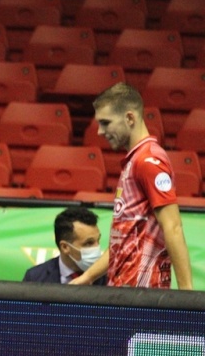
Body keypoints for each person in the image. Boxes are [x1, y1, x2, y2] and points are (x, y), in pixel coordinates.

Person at [72, 82, 193, 290]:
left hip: (143, 293)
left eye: (106, 123)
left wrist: (187, 293)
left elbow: (173, 227)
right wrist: (88, 276)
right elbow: (124, 241)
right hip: (123, 289)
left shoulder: (148, 161)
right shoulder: (134, 161)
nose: (100, 131)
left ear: (129, 118)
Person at [23, 207, 107, 285]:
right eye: (88, 243)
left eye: (98, 240)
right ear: (65, 247)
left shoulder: (109, 276)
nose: (97, 248)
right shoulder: (35, 278)